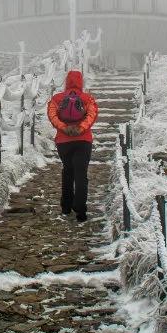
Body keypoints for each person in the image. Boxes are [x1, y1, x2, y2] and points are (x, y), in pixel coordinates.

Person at [46, 69, 99, 222]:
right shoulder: (87, 98)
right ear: (81, 82)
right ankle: (80, 210)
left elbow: (52, 116)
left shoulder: (57, 98)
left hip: (63, 142)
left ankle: (66, 206)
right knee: (81, 174)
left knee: (68, 171)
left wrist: (64, 128)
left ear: (66, 82)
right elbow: (91, 116)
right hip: (83, 141)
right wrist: (81, 129)